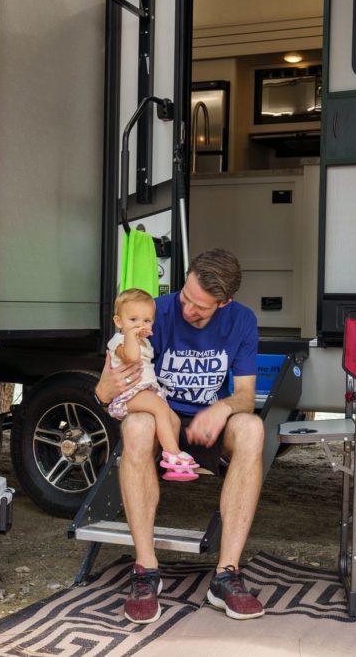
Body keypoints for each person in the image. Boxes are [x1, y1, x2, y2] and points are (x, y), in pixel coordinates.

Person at [94, 248, 266, 624]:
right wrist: (103, 388)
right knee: (137, 426)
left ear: (225, 302)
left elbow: (247, 397)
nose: (188, 309)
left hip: (207, 425)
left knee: (252, 428)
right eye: (186, 297)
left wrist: (221, 408)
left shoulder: (242, 321)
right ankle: (146, 570)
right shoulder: (152, 310)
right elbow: (107, 390)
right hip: (160, 423)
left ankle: (226, 575)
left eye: (200, 307)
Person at [105, 288, 197, 481]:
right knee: (160, 408)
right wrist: (131, 335)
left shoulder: (145, 343)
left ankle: (167, 460)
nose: (140, 325)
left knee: (174, 420)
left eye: (146, 320)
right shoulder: (119, 341)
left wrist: (137, 336)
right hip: (128, 394)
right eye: (133, 320)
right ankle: (173, 454)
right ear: (118, 322)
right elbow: (131, 357)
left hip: (146, 391)